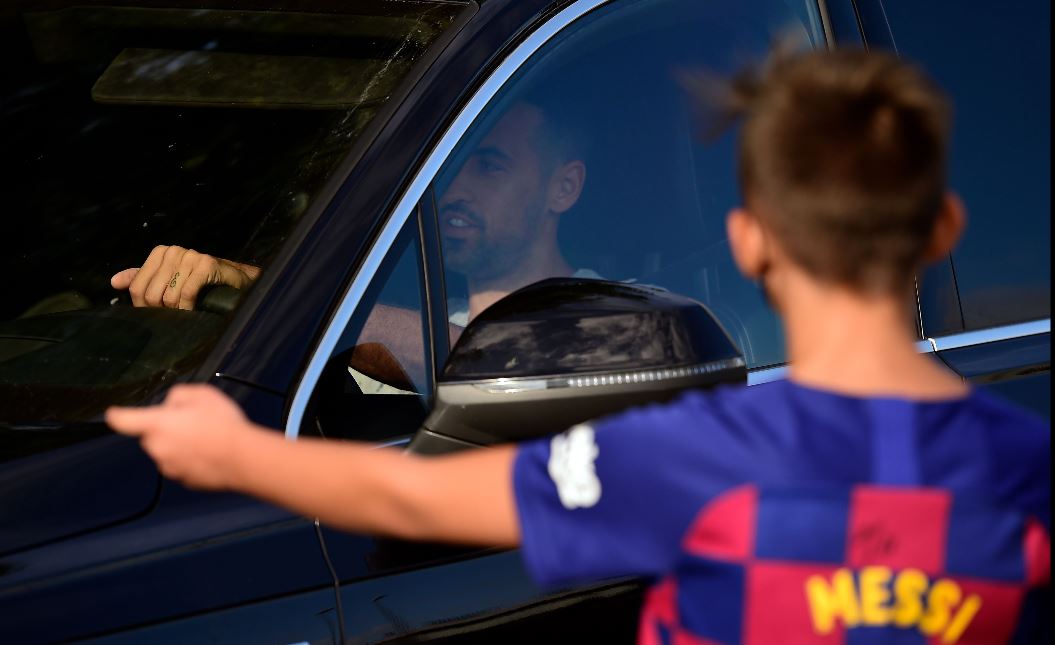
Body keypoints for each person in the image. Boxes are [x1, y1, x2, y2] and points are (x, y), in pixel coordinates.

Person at [107, 49, 1050, 644]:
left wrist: (232, 452)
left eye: (488, 162)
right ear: (943, 226)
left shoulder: (686, 446)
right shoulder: (1027, 464)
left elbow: (409, 495)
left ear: (748, 240)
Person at [110, 99, 589, 389]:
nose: (455, 189)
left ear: (563, 188)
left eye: (490, 166)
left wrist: (261, 292)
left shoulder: (618, 316)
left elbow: (496, 360)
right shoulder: (405, 325)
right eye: (451, 167)